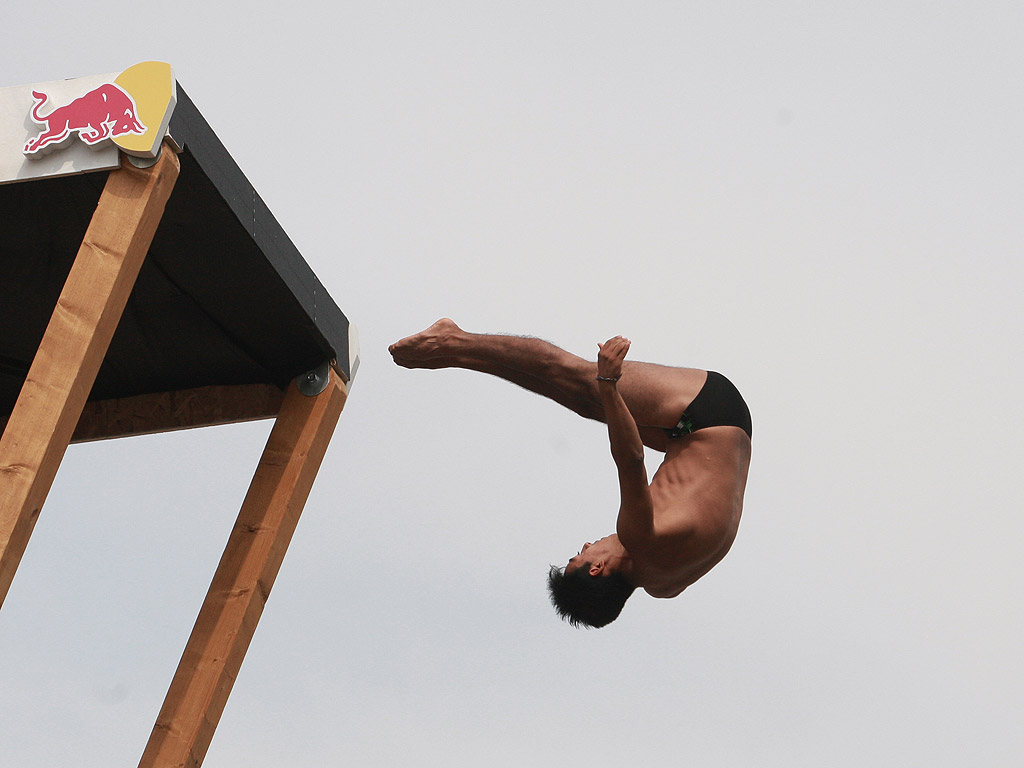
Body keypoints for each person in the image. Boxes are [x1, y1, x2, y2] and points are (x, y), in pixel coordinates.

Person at [389, 319, 752, 629]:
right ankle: (452, 340)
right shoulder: (639, 538)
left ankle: (458, 354)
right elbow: (630, 458)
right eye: (580, 555)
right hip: (706, 410)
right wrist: (608, 382)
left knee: (585, 405)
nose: (584, 545)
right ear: (596, 569)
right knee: (581, 380)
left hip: (712, 436)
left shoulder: (664, 586)